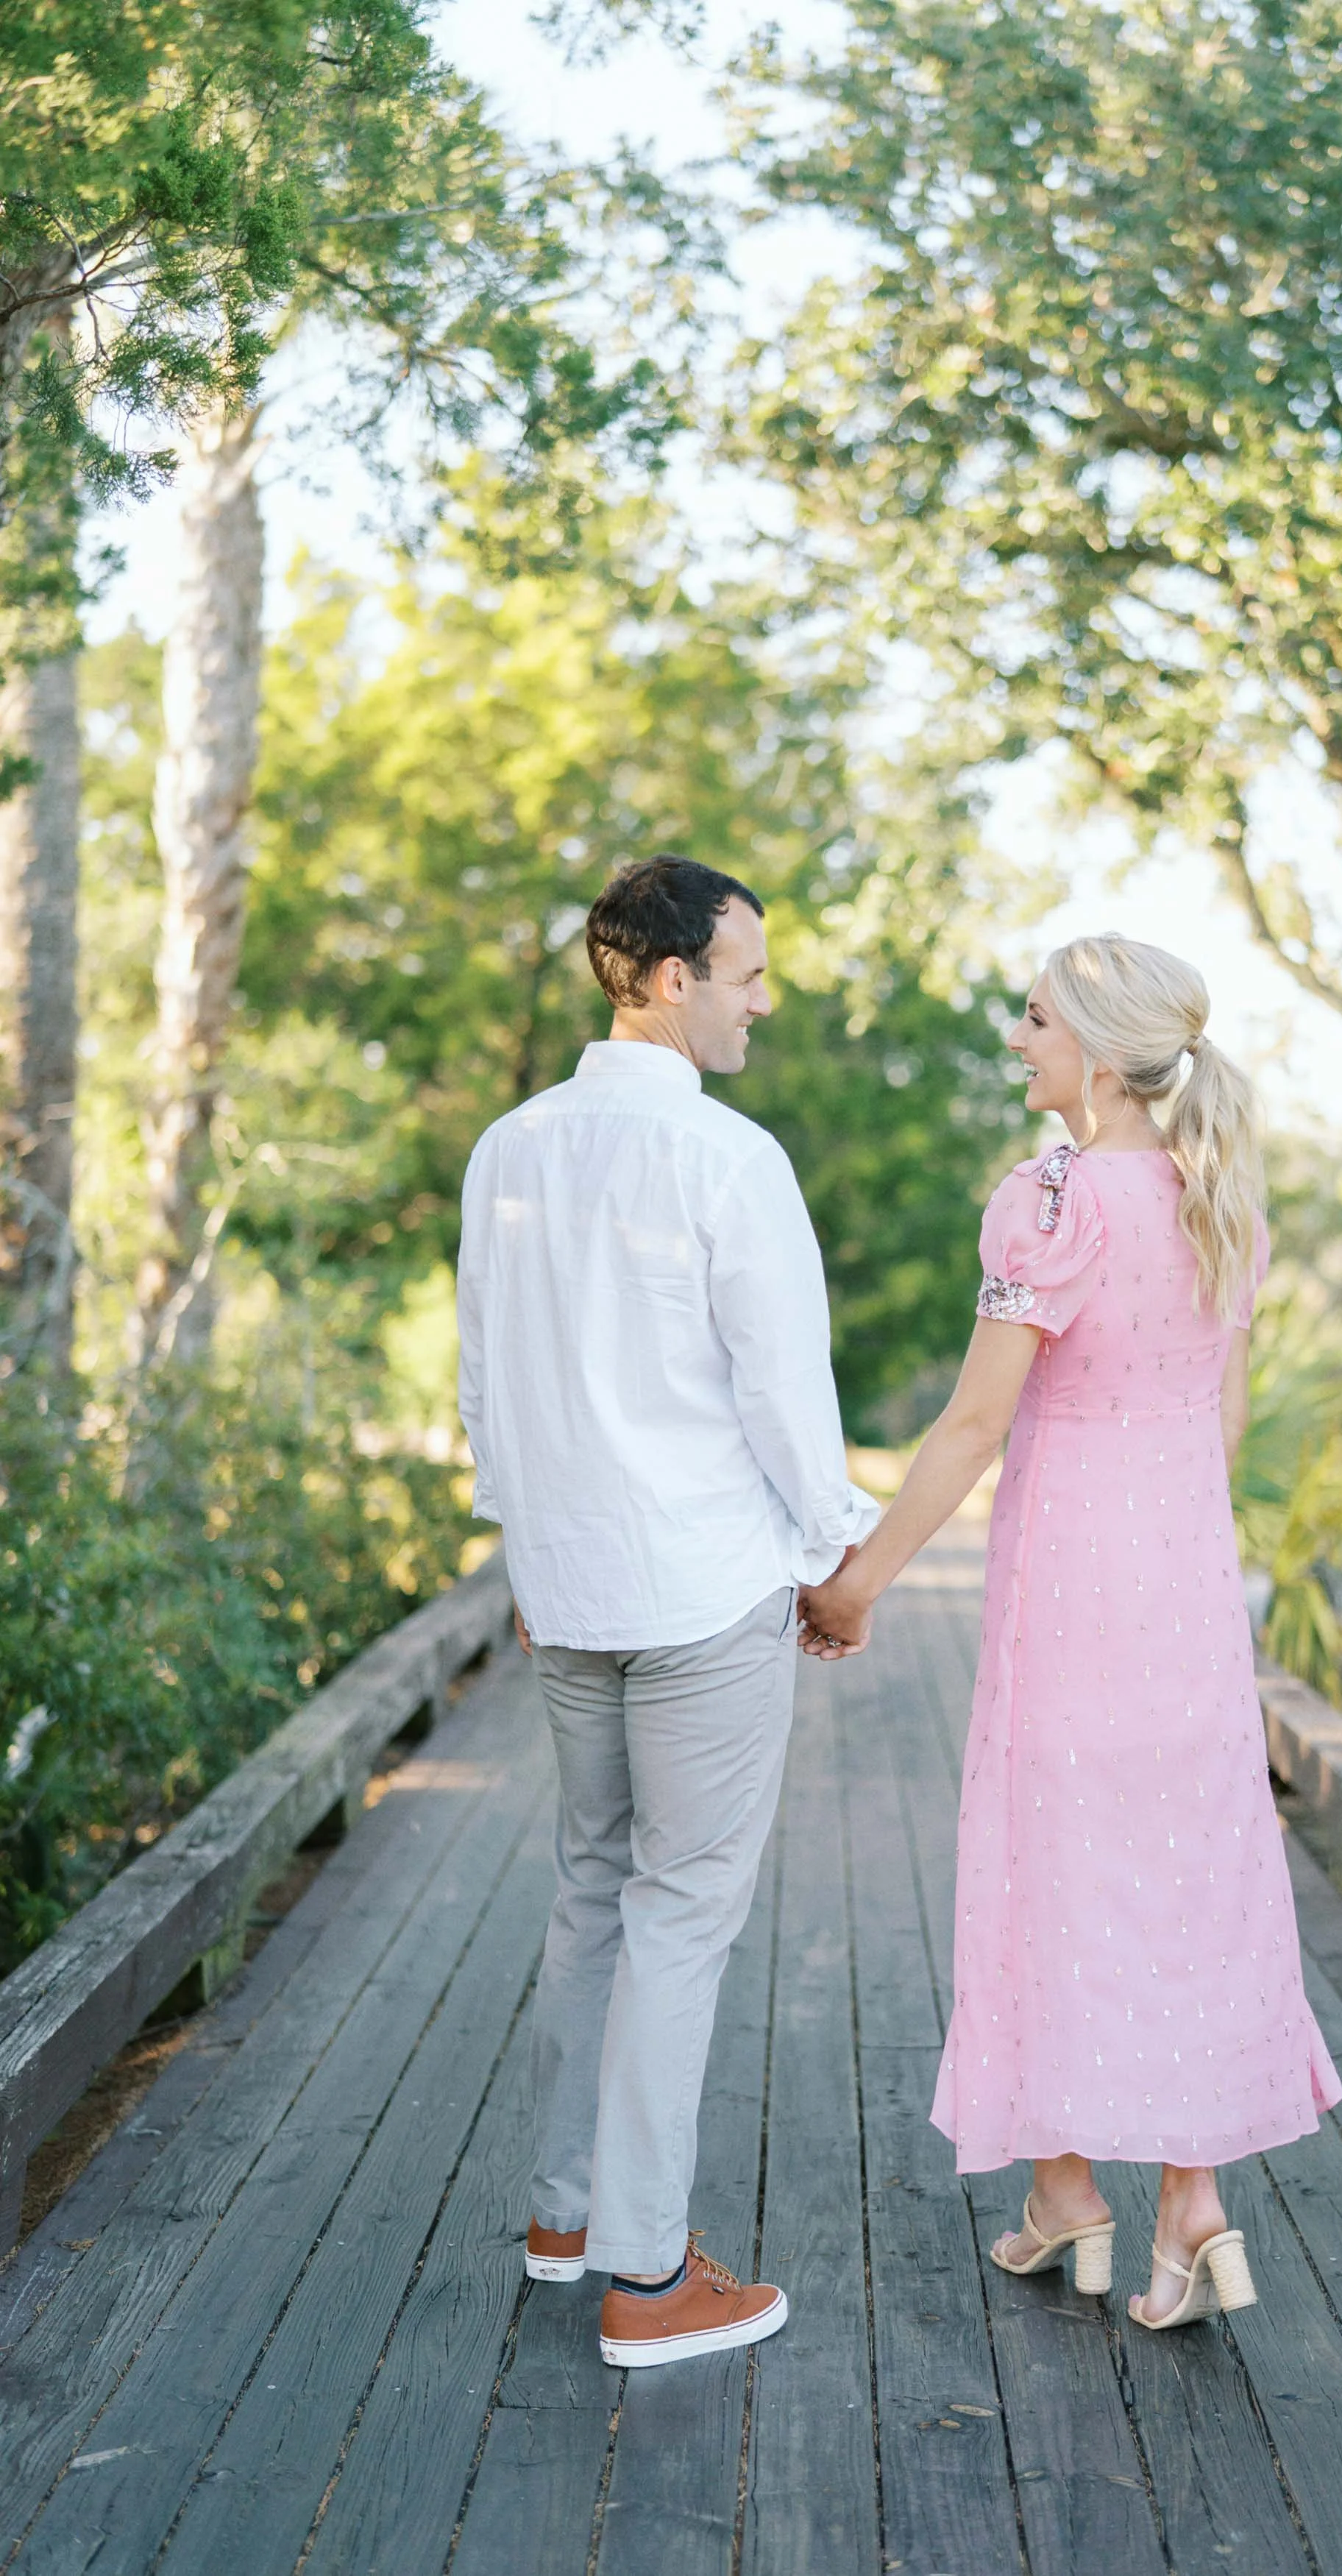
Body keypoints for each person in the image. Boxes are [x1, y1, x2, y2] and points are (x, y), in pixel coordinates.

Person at [800, 934, 1341, 2327]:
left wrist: (857, 1581)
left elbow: (978, 1422)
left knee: (1048, 1871)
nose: (1018, 1041)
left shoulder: (1051, 1202)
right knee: (1193, 1881)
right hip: (1190, 1600)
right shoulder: (1225, 1204)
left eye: (1035, 1022)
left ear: (1098, 1056)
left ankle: (1064, 2191)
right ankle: (1192, 2207)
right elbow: (1215, 1429)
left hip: (1072, 1593)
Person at [457, 852, 877, 2368]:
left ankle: (565, 2219)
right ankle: (647, 2275)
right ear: (673, 977)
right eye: (748, 972)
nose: (765, 999)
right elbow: (780, 1393)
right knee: (679, 1912)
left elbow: (482, 1381)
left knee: (593, 1887)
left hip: (568, 1591)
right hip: (700, 1590)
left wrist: (525, 1552)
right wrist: (839, 1555)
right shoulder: (726, 1161)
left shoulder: (507, 1146)